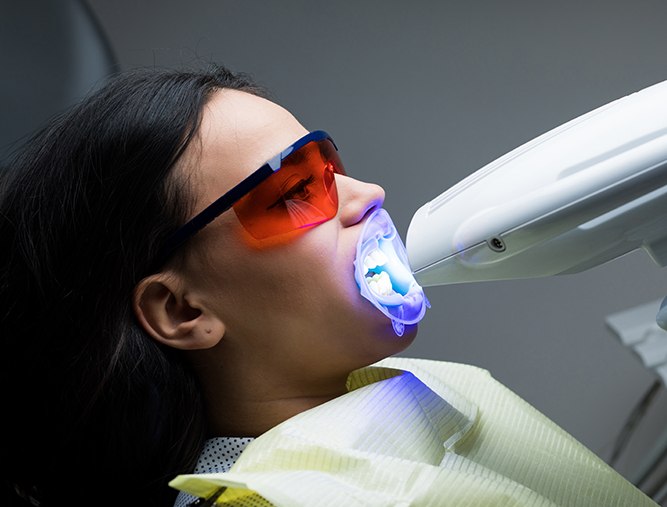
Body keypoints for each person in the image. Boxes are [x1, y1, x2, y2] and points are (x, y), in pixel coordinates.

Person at [0, 65, 656, 507]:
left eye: (331, 165)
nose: (366, 195)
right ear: (180, 307)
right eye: (294, 191)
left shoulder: (413, 391)